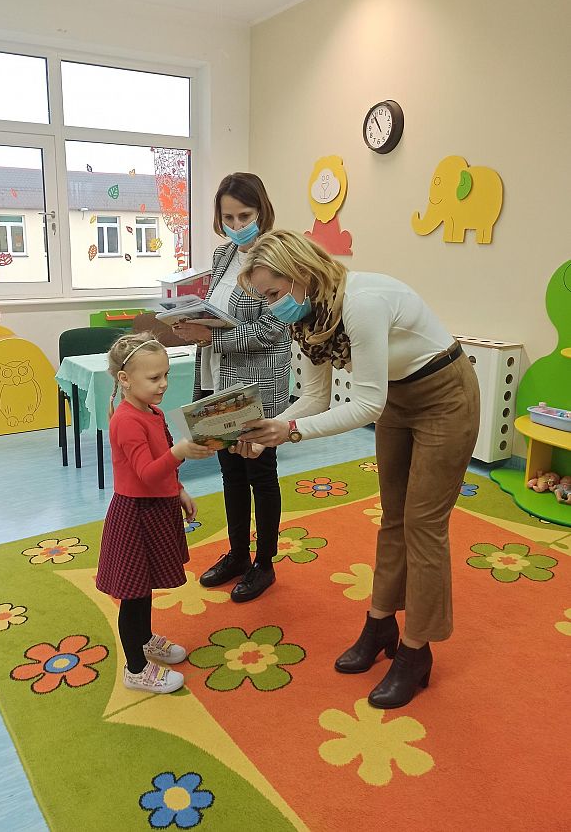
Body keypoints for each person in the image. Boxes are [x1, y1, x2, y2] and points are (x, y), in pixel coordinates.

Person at [238, 230, 480, 709]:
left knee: (423, 525)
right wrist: (271, 427)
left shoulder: (360, 302)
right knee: (393, 518)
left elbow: (367, 405)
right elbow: (315, 397)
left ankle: (416, 651)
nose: (271, 306)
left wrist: (290, 432)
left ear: (302, 272)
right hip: (398, 398)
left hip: (445, 396)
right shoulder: (310, 319)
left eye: (274, 293)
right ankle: (380, 622)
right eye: (263, 298)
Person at [171, 173, 292, 602]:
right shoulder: (223, 255)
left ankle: (265, 563)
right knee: (231, 473)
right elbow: (219, 313)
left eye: (245, 215)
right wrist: (191, 324)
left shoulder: (279, 257)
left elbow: (274, 328)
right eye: (229, 217)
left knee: (260, 473)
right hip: (215, 378)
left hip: (256, 386)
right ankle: (238, 554)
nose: (237, 224)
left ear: (262, 211)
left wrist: (212, 337)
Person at [96, 333, 214, 694]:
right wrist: (180, 452)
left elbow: (161, 463)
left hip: (156, 507)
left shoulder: (154, 412)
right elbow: (146, 472)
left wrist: (177, 489)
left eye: (166, 375)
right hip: (135, 514)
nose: (163, 384)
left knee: (144, 586)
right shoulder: (126, 420)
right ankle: (135, 670)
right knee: (133, 594)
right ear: (124, 379)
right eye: (153, 378)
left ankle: (145, 639)